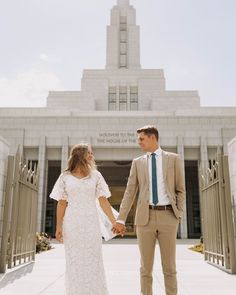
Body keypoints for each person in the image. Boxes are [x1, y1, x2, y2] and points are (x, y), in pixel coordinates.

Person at [112, 125, 186, 295]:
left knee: (169, 267)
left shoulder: (173, 159)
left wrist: (178, 213)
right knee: (145, 268)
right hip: (144, 218)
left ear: (153, 138)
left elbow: (180, 189)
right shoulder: (138, 163)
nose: (139, 142)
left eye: (142, 139)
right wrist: (121, 218)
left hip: (168, 216)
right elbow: (130, 191)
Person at [49, 143, 116, 295]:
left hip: (91, 223)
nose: (92, 156)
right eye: (89, 153)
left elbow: (103, 201)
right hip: (71, 223)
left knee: (94, 260)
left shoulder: (96, 176)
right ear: (80, 155)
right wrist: (59, 226)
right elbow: (61, 202)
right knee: (74, 260)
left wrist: (114, 222)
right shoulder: (65, 177)